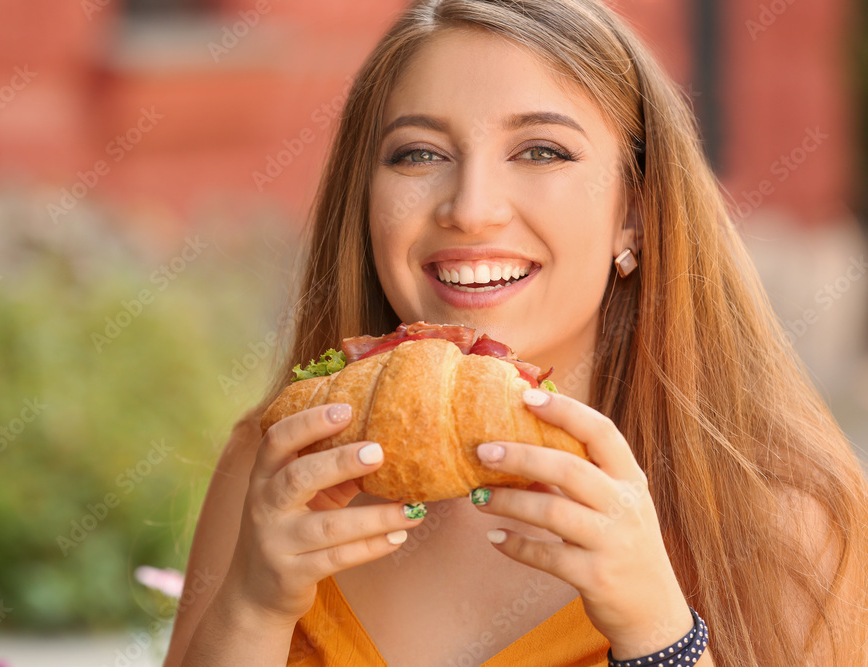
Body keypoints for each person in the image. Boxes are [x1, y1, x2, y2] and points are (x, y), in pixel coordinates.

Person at [163, 1, 868, 665]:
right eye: (418, 154)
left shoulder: (789, 515)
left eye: (541, 152)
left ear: (636, 213)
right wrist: (252, 610)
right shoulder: (279, 470)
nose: (470, 209)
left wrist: (658, 630)